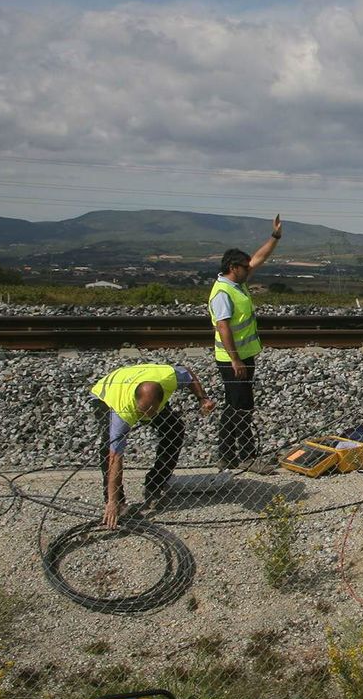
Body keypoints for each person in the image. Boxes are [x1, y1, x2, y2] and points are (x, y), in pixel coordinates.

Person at [90, 362, 214, 528]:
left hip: (143, 387)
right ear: (137, 402)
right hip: (106, 394)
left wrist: (202, 398)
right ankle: (116, 502)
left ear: (161, 399)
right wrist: (112, 500)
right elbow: (115, 457)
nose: (146, 417)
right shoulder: (122, 410)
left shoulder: (169, 378)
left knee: (174, 429)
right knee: (108, 447)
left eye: (151, 412)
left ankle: (155, 485)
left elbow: (189, 374)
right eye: (142, 412)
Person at [209, 215, 281, 472]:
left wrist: (274, 237)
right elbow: (223, 328)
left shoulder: (236, 285)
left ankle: (228, 455)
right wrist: (235, 359)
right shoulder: (223, 293)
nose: (248, 269)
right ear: (233, 267)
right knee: (241, 407)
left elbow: (258, 258)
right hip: (233, 360)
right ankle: (246, 456)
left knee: (236, 406)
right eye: (244, 267)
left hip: (243, 356)